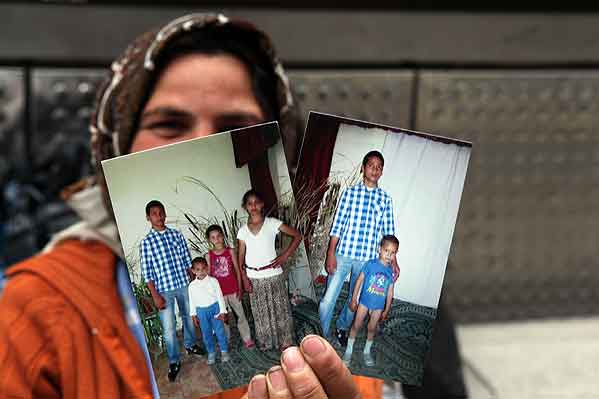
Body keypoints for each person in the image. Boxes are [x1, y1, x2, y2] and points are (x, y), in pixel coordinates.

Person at [0, 12, 465, 399]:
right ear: (116, 146)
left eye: (236, 123)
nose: (205, 144)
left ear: (279, 143)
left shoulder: (329, 309)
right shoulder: (33, 310)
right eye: (169, 123)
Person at [319, 150, 399, 346]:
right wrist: (331, 253)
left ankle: (342, 327)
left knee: (354, 300)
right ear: (363, 168)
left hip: (367, 261)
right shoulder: (349, 193)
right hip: (343, 254)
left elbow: (388, 233)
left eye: (379, 167)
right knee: (327, 300)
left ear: (382, 172)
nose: (375, 169)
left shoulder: (385, 199)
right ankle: (323, 334)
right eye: (371, 165)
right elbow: (337, 225)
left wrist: (394, 262)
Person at [140, 199, 205, 381]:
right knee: (168, 328)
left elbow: (187, 262)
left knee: (188, 318)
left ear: (165, 214)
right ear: (148, 217)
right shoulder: (146, 243)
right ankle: (174, 360)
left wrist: (193, 283)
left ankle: (191, 345)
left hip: (183, 284)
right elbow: (148, 273)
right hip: (163, 290)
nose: (159, 216)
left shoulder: (177, 235)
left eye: (161, 212)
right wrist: (155, 296)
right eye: (154, 213)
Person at [237, 189, 301, 351]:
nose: (253, 206)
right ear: (245, 206)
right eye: (249, 203)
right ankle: (266, 340)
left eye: (256, 202)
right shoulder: (243, 231)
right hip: (253, 277)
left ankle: (285, 340)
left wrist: (284, 256)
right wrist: (244, 278)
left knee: (279, 308)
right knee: (260, 311)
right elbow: (240, 256)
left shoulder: (272, 223)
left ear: (262, 204)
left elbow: (297, 236)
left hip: (273, 275)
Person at [343, 235, 397, 367]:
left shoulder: (390, 271)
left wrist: (386, 309)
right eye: (386, 250)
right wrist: (354, 299)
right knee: (356, 325)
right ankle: (348, 351)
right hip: (364, 303)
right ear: (380, 249)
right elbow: (359, 281)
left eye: (393, 253)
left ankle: (367, 351)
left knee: (372, 328)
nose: (389, 255)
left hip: (378, 306)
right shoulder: (370, 264)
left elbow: (390, 291)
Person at [205, 223, 255, 348]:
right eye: (213, 237)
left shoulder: (230, 251)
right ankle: (225, 339)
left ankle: (247, 337)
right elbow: (209, 277)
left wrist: (239, 287)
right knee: (223, 318)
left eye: (218, 236)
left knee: (240, 315)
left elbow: (237, 270)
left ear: (223, 236)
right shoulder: (208, 256)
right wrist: (212, 295)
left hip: (233, 290)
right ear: (209, 240)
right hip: (219, 294)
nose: (216, 239)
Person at [189, 256, 230, 365]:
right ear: (193, 271)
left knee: (219, 331)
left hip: (215, 308)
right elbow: (192, 301)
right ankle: (211, 352)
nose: (201, 272)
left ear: (207, 268)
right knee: (206, 333)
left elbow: (220, 296)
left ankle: (224, 351)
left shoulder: (213, 281)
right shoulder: (192, 286)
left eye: (203, 269)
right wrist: (193, 315)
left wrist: (222, 311)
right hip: (201, 312)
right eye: (198, 270)